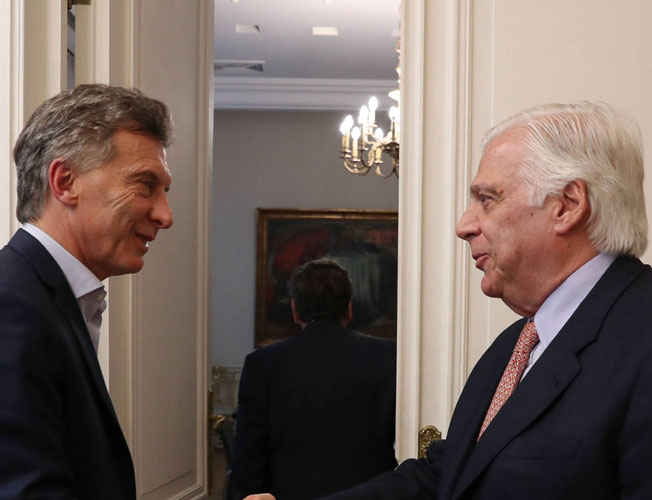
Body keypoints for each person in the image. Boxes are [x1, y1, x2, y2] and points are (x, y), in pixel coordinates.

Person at [244, 101, 652, 500]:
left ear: (567, 206)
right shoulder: (517, 343)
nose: (464, 225)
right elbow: (449, 474)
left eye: (487, 199)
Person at [0, 84, 174, 499]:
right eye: (145, 184)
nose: (165, 215)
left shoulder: (43, 297)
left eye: (164, 191)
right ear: (65, 181)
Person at [234, 259, 397, 500]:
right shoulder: (388, 356)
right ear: (349, 308)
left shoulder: (262, 363)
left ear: (294, 310)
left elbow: (249, 451)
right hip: (370, 494)